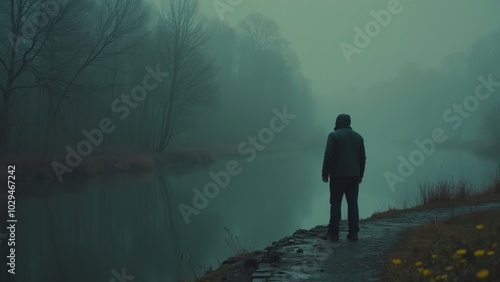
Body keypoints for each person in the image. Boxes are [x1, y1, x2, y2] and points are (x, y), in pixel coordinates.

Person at [322, 114, 366, 241]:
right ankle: (353, 233)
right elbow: (362, 158)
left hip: (338, 176)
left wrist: (325, 173)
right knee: (353, 204)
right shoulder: (359, 137)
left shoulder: (333, 136)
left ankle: (334, 233)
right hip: (354, 176)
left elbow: (329, 155)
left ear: (338, 122)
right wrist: (360, 174)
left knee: (336, 203)